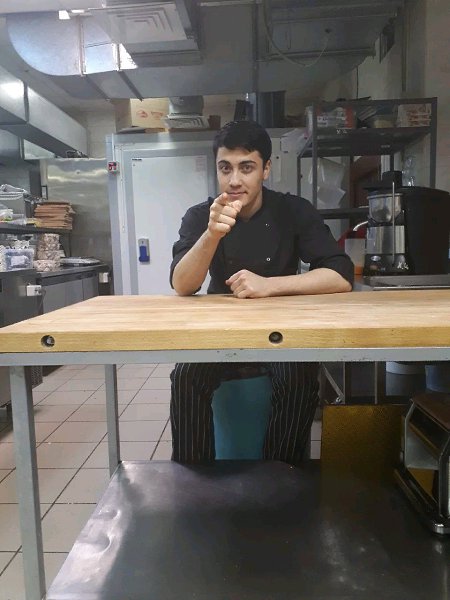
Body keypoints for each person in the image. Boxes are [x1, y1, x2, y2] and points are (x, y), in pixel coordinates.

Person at [169, 120, 353, 464]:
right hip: (220, 328)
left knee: (298, 378)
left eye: (246, 167)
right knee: (186, 376)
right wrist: (212, 234)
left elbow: (340, 275)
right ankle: (193, 477)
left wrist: (270, 285)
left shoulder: (293, 211)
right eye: (225, 168)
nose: (234, 180)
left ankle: (280, 475)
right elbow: (182, 284)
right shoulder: (200, 216)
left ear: (266, 169)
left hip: (281, 329)